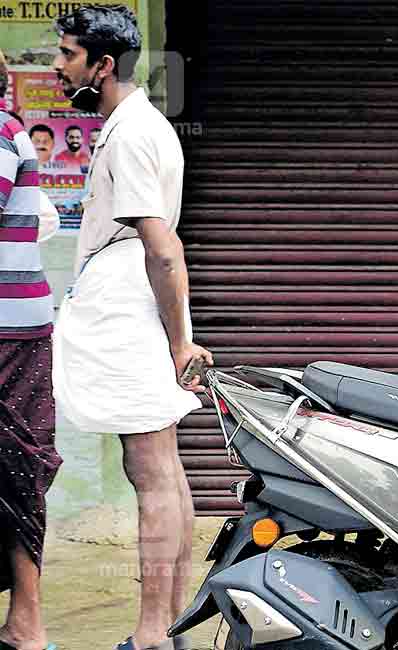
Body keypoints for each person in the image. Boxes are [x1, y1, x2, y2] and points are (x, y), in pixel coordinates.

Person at [49, 7, 212, 650]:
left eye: (68, 55)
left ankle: (149, 636)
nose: (59, 69)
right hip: (132, 302)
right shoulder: (133, 125)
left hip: (133, 306)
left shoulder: (135, 131)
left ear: (103, 65)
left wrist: (177, 341)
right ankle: (166, 629)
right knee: (163, 469)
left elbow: (162, 249)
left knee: (150, 471)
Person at [0, 49, 62, 650]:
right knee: (19, 469)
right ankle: (25, 623)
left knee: (18, 470)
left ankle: (27, 626)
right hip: (19, 327)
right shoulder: (12, 128)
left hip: (7, 333)